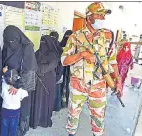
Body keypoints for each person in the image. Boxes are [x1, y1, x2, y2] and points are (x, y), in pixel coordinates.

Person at [61, 2, 123, 136]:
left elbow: (113, 62)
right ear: (89, 17)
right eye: (99, 15)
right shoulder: (75, 37)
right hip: (78, 85)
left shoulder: (108, 38)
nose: (103, 18)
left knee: (99, 121)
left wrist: (118, 81)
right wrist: (82, 54)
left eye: (103, 15)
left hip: (99, 86)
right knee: (73, 117)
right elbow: (64, 61)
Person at [2, 25, 38, 136]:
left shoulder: (27, 47)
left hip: (22, 85)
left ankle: (21, 131)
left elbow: (30, 70)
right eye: (8, 41)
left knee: (23, 110)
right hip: (8, 82)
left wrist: (17, 85)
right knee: (10, 110)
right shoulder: (7, 46)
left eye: (13, 40)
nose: (10, 43)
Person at [30, 35, 60, 129]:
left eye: (44, 43)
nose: (42, 44)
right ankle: (35, 121)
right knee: (37, 100)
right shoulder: (37, 53)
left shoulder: (53, 55)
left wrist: (37, 68)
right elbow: (31, 64)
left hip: (48, 82)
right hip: (38, 82)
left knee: (46, 101)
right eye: (41, 42)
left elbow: (48, 66)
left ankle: (44, 121)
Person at [0, 67, 28, 136]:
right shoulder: (19, 88)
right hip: (16, 110)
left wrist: (4, 73)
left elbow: (1, 94)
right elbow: (25, 94)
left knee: (4, 127)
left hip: (5, 109)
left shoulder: (4, 84)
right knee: (14, 129)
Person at [59, 30, 73, 108]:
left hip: (64, 68)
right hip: (67, 67)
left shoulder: (61, 43)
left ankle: (64, 100)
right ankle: (67, 101)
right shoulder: (72, 45)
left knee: (64, 84)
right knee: (67, 84)